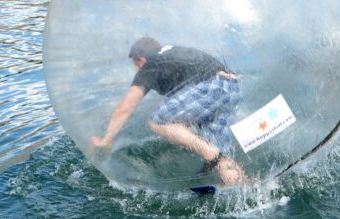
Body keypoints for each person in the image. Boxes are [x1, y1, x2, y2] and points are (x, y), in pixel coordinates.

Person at [91, 37, 247, 186]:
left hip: (212, 86)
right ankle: (247, 189)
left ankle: (210, 153)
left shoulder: (151, 63)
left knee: (159, 122)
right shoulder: (173, 53)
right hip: (232, 87)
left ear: (140, 59)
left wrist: (107, 140)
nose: (137, 69)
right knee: (221, 160)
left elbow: (125, 108)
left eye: (135, 63)